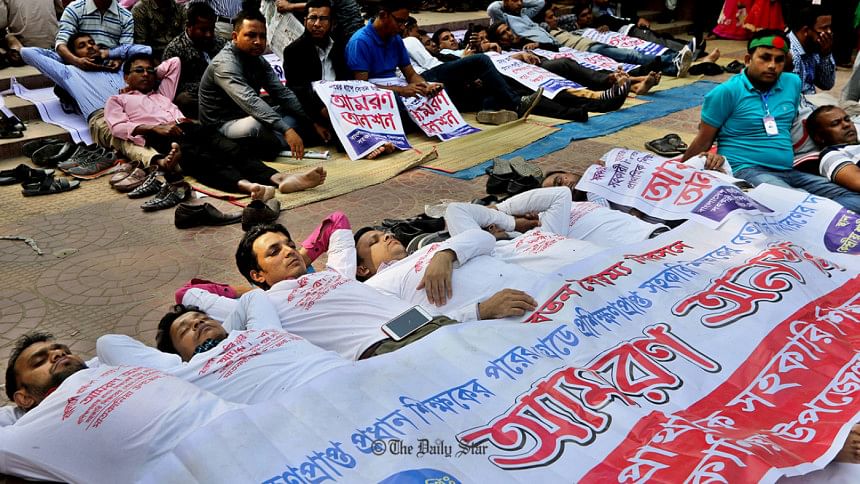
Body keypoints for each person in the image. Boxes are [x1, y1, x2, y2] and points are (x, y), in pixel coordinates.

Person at [183, 221, 459, 360]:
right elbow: (187, 293)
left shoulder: (335, 272)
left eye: (290, 245)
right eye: (274, 252)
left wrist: (303, 257)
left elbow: (337, 220)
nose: (289, 251)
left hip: (430, 322)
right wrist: (244, 290)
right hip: (388, 350)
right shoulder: (262, 307)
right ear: (258, 274)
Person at [2, 332, 239, 482]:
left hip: (243, 425)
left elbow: (109, 343)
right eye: (39, 361)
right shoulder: (33, 430)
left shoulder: (111, 367)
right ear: (23, 398)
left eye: (63, 351)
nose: (57, 354)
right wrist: (18, 412)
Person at [681, 30, 860, 212]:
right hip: (746, 169)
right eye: (765, 58)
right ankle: (814, 213)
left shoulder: (792, 83)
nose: (772, 65)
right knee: (795, 205)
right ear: (748, 60)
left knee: (854, 199)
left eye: (779, 59)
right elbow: (703, 140)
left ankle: (818, 214)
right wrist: (680, 176)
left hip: (788, 170)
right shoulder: (726, 92)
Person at [104, 52, 327, 198]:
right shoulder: (118, 100)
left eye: (150, 71)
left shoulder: (161, 92)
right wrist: (153, 128)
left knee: (231, 148)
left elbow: (174, 63)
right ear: (126, 77)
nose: (146, 74)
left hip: (189, 126)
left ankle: (278, 178)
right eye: (139, 71)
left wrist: (153, 73)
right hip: (162, 135)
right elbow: (117, 127)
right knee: (203, 159)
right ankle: (248, 187)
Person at [97, 290, 349, 404]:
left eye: (202, 319)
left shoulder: (261, 331)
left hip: (342, 377)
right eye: (185, 330)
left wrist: (225, 335)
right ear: (178, 355)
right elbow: (107, 344)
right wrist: (177, 361)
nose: (197, 323)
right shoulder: (182, 374)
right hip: (297, 409)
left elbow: (252, 297)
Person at [345, 0, 542, 130]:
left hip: (403, 86)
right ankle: (489, 105)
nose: (403, 26)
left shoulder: (395, 37)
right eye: (400, 21)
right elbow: (362, 88)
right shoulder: (360, 42)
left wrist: (424, 86)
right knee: (440, 98)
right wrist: (402, 90)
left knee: (478, 63)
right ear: (383, 15)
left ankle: (510, 104)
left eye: (405, 22)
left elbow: (410, 74)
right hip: (384, 95)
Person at [199, 9, 328, 161]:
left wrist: (313, 122)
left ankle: (280, 141)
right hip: (222, 125)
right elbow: (251, 101)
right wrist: (287, 130)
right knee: (257, 126)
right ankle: (280, 142)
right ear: (235, 36)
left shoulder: (258, 60)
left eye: (262, 36)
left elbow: (282, 94)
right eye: (251, 35)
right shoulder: (225, 64)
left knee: (297, 110)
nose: (258, 42)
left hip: (252, 115)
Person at [21, 33, 155, 167]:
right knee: (124, 139)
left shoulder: (116, 67)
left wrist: (108, 53)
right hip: (103, 116)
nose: (90, 47)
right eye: (82, 46)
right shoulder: (69, 72)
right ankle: (155, 160)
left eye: (92, 43)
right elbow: (27, 53)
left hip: (136, 109)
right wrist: (73, 59)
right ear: (74, 54)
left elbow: (146, 50)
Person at [354, 226, 542, 321]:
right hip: (510, 317)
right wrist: (480, 311)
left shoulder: (426, 249)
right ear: (362, 269)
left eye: (385, 233)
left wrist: (445, 254)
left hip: (538, 285)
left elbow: (484, 238)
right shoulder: (376, 287)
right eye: (374, 241)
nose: (388, 236)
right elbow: (410, 330)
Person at [444, 187, 608, 274]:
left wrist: (510, 220)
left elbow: (561, 194)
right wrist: (511, 223)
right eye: (489, 225)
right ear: (491, 228)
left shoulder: (546, 232)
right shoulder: (487, 258)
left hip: (608, 264)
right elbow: (455, 210)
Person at [282, 0, 351, 134]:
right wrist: (318, 113)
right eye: (313, 18)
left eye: (323, 19)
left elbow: (347, 81)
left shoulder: (340, 48)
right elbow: (298, 91)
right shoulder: (294, 51)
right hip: (308, 110)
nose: (317, 24)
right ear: (305, 21)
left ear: (332, 23)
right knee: (289, 127)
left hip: (339, 108)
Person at [162, 2, 226, 119]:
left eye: (211, 29)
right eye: (203, 30)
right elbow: (173, 87)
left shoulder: (220, 43)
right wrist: (209, 84)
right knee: (184, 99)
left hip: (222, 89)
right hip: (197, 95)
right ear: (189, 26)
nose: (208, 34)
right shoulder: (175, 50)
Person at [55, 0, 133, 69]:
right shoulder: (74, 9)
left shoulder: (126, 16)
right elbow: (61, 44)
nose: (90, 46)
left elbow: (126, 49)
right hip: (77, 68)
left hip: (110, 69)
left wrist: (118, 61)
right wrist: (76, 61)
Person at [805, 105, 860, 192]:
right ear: (820, 137)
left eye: (847, 119)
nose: (846, 125)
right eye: (835, 124)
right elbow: (857, 181)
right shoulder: (831, 155)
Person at [787, 3, 835, 95]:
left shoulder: (814, 48)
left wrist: (825, 55)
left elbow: (827, 84)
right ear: (805, 30)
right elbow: (793, 96)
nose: (829, 32)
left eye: (830, 27)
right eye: (824, 28)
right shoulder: (791, 54)